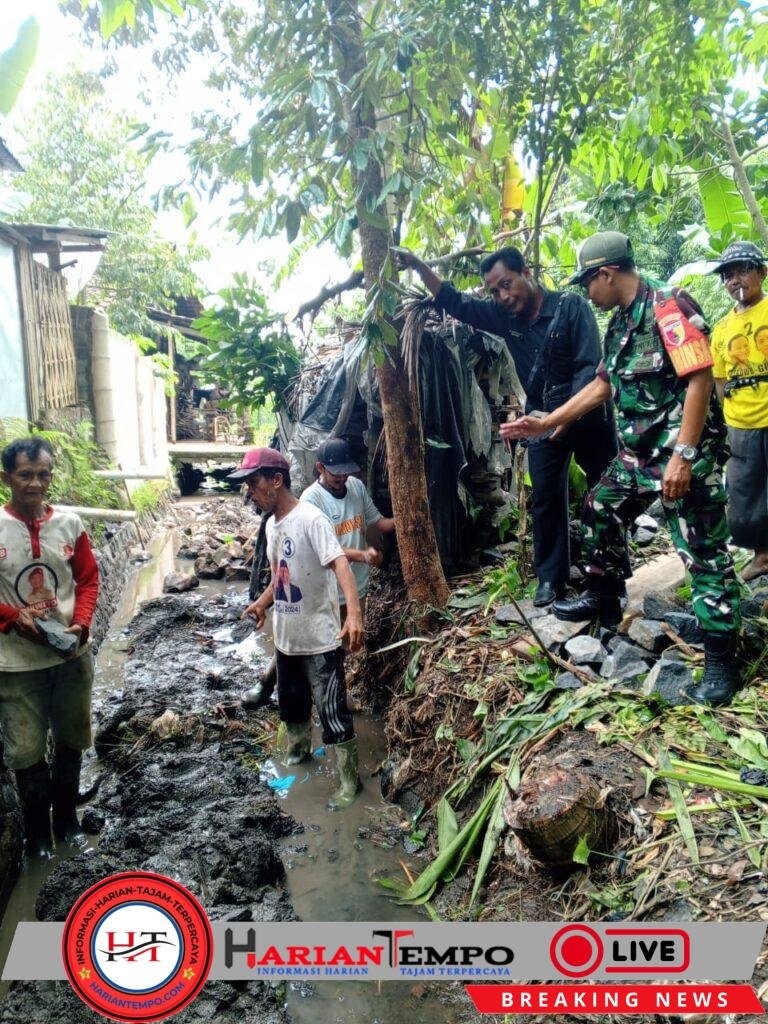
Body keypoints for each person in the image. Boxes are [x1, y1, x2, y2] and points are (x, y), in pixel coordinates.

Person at [504, 231, 741, 707]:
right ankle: (604, 595)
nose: (587, 293)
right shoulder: (618, 324)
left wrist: (684, 456)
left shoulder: (668, 307)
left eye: (588, 282)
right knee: (599, 507)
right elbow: (602, 386)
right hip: (639, 455)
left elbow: (699, 377)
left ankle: (722, 660)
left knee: (701, 551)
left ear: (607, 274)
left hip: (682, 454)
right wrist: (547, 421)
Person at [397, 244, 619, 607]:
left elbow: (588, 367)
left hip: (588, 412)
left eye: (507, 284)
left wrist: (565, 417)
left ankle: (609, 578)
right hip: (540, 420)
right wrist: (420, 266)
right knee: (545, 496)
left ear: (526, 273)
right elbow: (457, 303)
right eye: (494, 290)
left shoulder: (570, 307)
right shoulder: (504, 317)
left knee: (606, 493)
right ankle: (551, 578)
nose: (503, 295)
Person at [231, 447, 365, 809]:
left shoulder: (311, 519)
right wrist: (262, 603)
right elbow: (281, 576)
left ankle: (350, 781)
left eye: (254, 483)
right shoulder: (272, 525)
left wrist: (353, 614)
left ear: (276, 480)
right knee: (292, 705)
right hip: (287, 640)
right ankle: (298, 752)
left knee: (333, 711)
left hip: (320, 640)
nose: (250, 493)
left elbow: (340, 564)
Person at [242, 438, 396, 708]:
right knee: (300, 643)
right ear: (320, 468)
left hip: (353, 586)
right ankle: (270, 683)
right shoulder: (310, 503)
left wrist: (406, 517)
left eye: (346, 471)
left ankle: (330, 694)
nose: (342, 477)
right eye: (336, 473)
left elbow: (377, 522)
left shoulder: (356, 487)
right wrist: (363, 555)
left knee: (339, 648)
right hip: (321, 592)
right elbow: (328, 552)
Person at [0, 437, 99, 855]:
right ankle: (39, 836)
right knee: (25, 751)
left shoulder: (70, 524)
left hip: (70, 656)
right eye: (25, 475)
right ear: (7, 478)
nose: (35, 484)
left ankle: (68, 822)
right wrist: (12, 617)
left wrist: (82, 623)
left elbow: (88, 579)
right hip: (16, 663)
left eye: (43, 474)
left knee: (72, 739)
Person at [709, 241, 768, 582]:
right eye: (727, 275)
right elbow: (719, 380)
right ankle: (762, 556)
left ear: (762, 272)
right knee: (745, 495)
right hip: (741, 423)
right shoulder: (721, 329)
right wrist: (725, 423)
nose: (735, 280)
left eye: (743, 270)